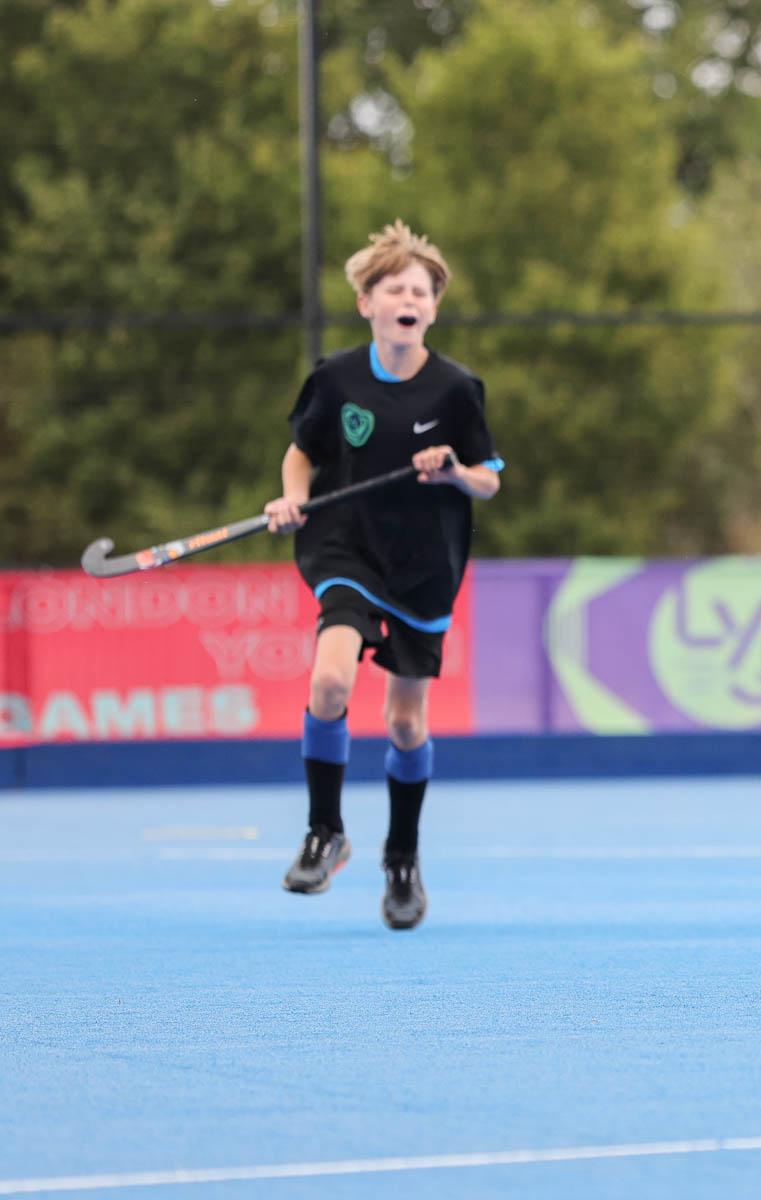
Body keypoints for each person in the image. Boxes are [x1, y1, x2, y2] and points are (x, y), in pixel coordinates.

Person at [263, 220, 502, 930]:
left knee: (404, 722)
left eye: (420, 291)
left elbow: (489, 481)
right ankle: (324, 831)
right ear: (367, 302)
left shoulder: (457, 390)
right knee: (330, 679)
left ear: (432, 308)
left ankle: (402, 857)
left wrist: (455, 470)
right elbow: (301, 453)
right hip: (347, 549)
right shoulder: (334, 379)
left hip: (425, 565)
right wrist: (295, 499)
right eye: (393, 287)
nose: (408, 298)